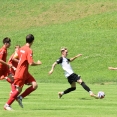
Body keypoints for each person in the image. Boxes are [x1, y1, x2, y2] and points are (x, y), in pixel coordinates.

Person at [4, 34, 42, 111]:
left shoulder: (21, 48)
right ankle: (7, 105)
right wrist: (38, 63)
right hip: (21, 72)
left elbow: (15, 57)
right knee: (18, 90)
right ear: (33, 41)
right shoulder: (29, 50)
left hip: (25, 72)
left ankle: (20, 98)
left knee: (35, 85)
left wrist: (21, 61)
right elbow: (31, 63)